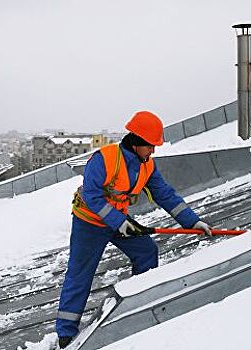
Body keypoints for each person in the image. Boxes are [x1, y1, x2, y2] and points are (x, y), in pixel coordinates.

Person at [55, 111, 212, 348]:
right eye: (151, 145)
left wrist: (192, 222)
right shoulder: (104, 159)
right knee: (80, 274)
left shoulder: (147, 165)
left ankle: (137, 301)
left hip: (120, 222)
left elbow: (165, 194)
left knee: (147, 252)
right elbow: (92, 196)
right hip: (89, 222)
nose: (154, 151)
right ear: (137, 141)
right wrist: (120, 223)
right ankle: (66, 333)